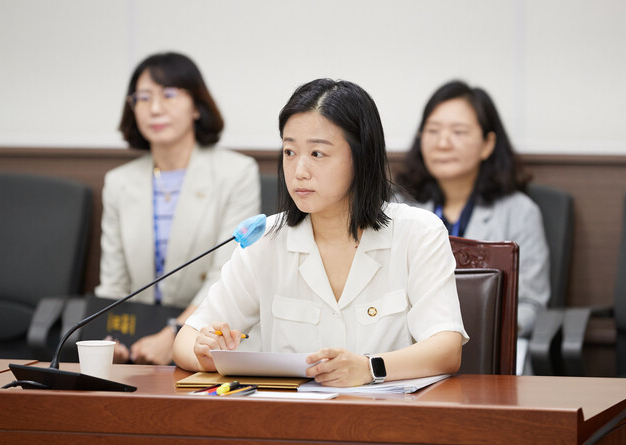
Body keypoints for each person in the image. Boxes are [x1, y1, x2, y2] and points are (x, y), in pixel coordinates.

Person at [174, 78, 468, 387]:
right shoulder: (265, 240)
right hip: (292, 413)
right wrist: (205, 354)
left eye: (317, 154)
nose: (299, 171)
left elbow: (446, 348)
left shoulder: (418, 232)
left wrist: (369, 368)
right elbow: (186, 340)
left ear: (361, 157)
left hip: (387, 411)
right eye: (289, 152)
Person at [95, 52, 260, 365]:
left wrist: (174, 334)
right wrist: (108, 340)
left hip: (206, 337)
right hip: (134, 342)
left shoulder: (236, 173)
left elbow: (225, 275)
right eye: (144, 97)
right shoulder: (119, 182)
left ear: (196, 105)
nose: (155, 108)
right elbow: (114, 283)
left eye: (169, 94)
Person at [395, 80, 550, 354]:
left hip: (486, 350)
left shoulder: (519, 212)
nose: (443, 143)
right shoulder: (398, 208)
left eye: (458, 132)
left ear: (488, 144)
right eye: (433, 130)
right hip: (411, 352)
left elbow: (532, 306)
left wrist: (471, 332)